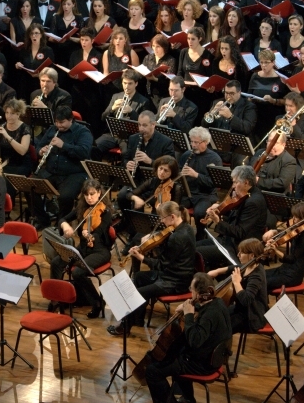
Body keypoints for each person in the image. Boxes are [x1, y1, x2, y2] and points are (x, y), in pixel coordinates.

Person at [144, 272, 232, 403]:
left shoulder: (209, 316)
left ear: (199, 293)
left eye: (191, 289)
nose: (190, 291)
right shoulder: (217, 303)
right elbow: (204, 315)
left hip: (203, 365)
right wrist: (191, 307)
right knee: (175, 353)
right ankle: (189, 400)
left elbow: (195, 341)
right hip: (214, 357)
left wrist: (189, 315)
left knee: (153, 370)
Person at [111, 201, 196, 335]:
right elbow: (169, 254)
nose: (162, 221)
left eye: (163, 217)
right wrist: (154, 242)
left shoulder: (178, 237)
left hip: (175, 281)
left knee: (138, 292)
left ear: (172, 217)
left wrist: (142, 257)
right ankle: (137, 319)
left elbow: (161, 264)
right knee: (138, 277)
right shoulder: (187, 228)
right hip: (173, 274)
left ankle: (125, 327)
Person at [50, 179, 113, 317]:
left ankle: (97, 302)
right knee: (56, 262)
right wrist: (65, 225)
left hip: (100, 251)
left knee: (78, 272)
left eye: (92, 194)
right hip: (83, 249)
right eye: (86, 195)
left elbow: (101, 231)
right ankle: (56, 299)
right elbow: (62, 218)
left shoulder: (105, 212)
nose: (89, 198)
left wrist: (90, 234)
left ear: (99, 193)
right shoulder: (82, 209)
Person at [32, 106, 93, 231]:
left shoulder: (83, 132)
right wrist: (41, 151)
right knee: (30, 187)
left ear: (71, 120)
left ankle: (61, 224)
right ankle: (43, 220)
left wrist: (63, 145)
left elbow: (84, 152)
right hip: (51, 171)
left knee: (65, 197)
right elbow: (39, 146)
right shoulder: (52, 129)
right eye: (56, 122)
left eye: (62, 122)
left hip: (74, 173)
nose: (58, 125)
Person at [197, 166, 268, 270]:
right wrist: (220, 209)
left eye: (235, 182)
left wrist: (217, 221)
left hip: (237, 246)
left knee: (196, 253)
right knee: (192, 246)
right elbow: (235, 217)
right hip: (228, 239)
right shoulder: (247, 194)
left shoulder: (253, 202)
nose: (233, 186)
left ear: (246, 183)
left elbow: (240, 232)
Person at [207, 238, 268, 334]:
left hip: (250, 316)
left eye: (241, 253)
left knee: (219, 329)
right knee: (215, 316)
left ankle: (222, 348)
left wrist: (236, 282)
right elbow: (236, 267)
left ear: (251, 256)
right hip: (240, 310)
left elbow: (246, 300)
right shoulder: (249, 265)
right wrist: (217, 271)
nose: (238, 255)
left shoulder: (257, 275)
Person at [94, 69, 152, 158]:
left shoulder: (143, 101)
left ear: (136, 84)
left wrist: (132, 112)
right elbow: (103, 118)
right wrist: (113, 108)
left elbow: (144, 124)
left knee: (126, 154)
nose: (126, 86)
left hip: (129, 137)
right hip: (114, 134)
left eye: (130, 83)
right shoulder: (116, 96)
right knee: (94, 147)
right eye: (124, 83)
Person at [263, 202, 304, 291]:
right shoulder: (299, 232)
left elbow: (292, 259)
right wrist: (275, 234)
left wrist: (275, 250)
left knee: (261, 283)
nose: (293, 219)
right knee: (257, 277)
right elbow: (287, 232)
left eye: (296, 217)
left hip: (292, 276)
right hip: (285, 269)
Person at [177, 127, 222, 234]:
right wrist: (180, 174)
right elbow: (177, 172)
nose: (193, 145)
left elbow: (214, 183)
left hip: (205, 195)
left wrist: (196, 175)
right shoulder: (187, 155)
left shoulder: (214, 159)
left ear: (206, 142)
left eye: (196, 142)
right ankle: (180, 234)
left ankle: (200, 237)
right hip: (188, 193)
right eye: (191, 141)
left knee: (199, 213)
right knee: (173, 208)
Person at [0, 99, 32, 200]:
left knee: (4, 181)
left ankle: (5, 209)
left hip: (20, 164)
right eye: (7, 113)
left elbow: (23, 151)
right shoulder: (2, 126)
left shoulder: (25, 129)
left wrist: (7, 136)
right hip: (4, 164)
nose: (8, 116)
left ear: (19, 114)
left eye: (12, 113)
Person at [204, 80, 256, 165]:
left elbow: (247, 128)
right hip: (219, 144)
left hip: (238, 147)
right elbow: (204, 125)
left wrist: (230, 117)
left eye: (232, 93)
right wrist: (212, 112)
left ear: (239, 92)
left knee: (241, 163)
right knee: (202, 154)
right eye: (226, 93)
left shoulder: (249, 107)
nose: (228, 96)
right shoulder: (217, 102)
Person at [117, 155, 183, 215]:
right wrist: (135, 198)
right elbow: (129, 194)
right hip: (153, 215)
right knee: (137, 200)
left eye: (166, 171)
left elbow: (175, 211)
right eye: (160, 168)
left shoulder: (176, 188)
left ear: (172, 173)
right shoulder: (153, 181)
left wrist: (164, 209)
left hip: (167, 218)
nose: (162, 172)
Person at [251, 131, 297, 198]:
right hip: (253, 193)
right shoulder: (259, 153)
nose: (271, 144)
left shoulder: (289, 160)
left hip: (272, 197)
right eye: (269, 141)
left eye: (275, 142)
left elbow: (282, 183)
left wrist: (258, 181)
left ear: (283, 145)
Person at [15, 23, 55, 97]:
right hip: (25, 84)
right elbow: (19, 63)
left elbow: (51, 69)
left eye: (36, 33)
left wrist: (40, 75)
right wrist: (18, 65)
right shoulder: (24, 50)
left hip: (40, 84)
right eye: (31, 33)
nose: (34, 35)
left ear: (41, 35)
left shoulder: (47, 50)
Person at [101, 27, 140, 96]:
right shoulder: (107, 53)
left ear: (125, 40)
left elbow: (138, 73)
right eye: (115, 38)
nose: (118, 41)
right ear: (112, 40)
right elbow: (106, 72)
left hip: (127, 89)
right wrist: (105, 79)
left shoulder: (131, 53)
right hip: (110, 89)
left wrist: (129, 72)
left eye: (120, 38)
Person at [142, 34, 177, 108]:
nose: (155, 49)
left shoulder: (170, 60)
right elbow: (142, 70)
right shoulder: (148, 58)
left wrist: (154, 79)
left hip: (162, 95)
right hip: (148, 93)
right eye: (153, 46)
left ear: (164, 47)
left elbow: (169, 80)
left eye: (158, 46)